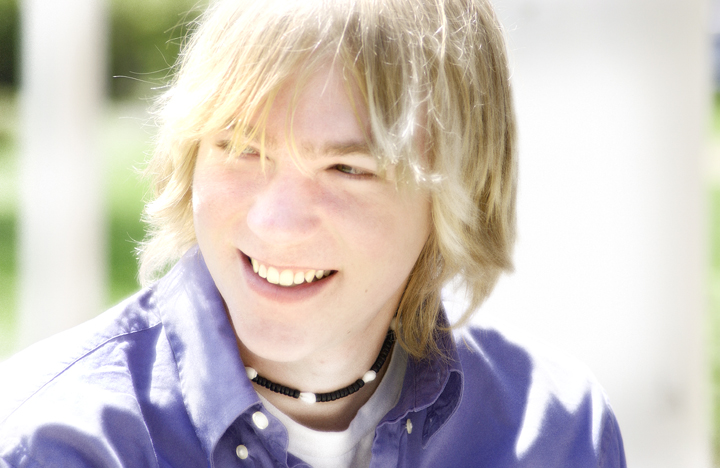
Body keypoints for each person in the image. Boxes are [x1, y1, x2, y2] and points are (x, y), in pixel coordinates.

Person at [0, 0, 626, 466]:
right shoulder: (50, 443)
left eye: (347, 169)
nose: (274, 223)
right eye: (242, 149)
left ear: (459, 189)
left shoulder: (555, 432)